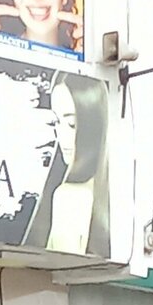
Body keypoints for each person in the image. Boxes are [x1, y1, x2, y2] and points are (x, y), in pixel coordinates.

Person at [25, 72, 110, 257]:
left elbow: (58, 266)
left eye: (72, 124)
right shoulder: (108, 199)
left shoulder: (69, 197)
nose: (60, 136)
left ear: (94, 124)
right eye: (57, 122)